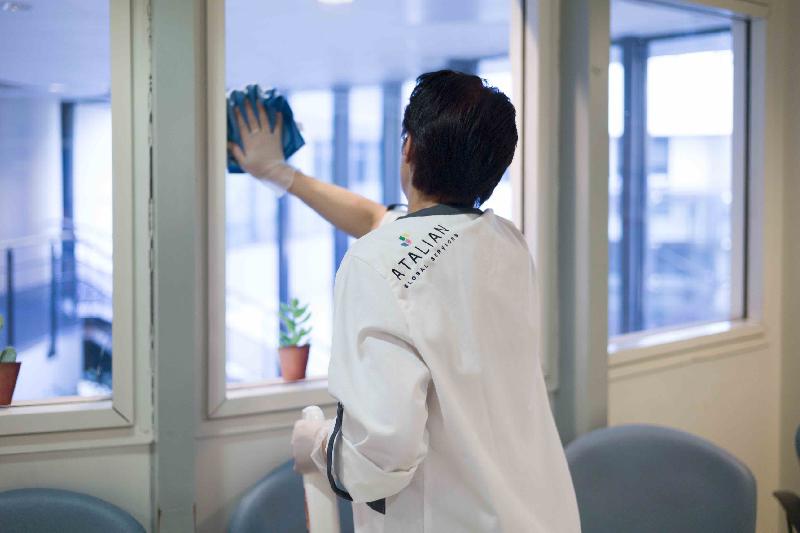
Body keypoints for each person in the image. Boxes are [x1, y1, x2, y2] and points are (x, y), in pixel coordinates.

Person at [229, 70, 581, 533]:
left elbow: (382, 455)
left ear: (408, 147)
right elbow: (385, 222)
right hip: (540, 515)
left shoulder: (374, 263)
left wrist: (319, 445)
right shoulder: (505, 241)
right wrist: (281, 175)